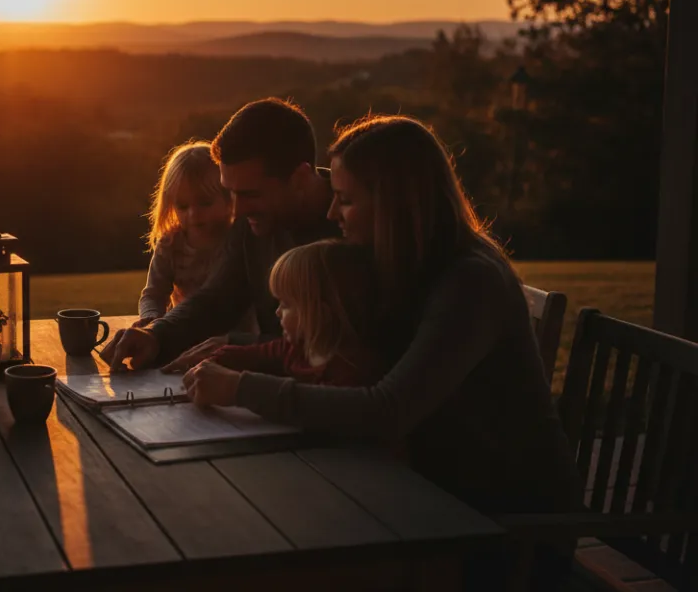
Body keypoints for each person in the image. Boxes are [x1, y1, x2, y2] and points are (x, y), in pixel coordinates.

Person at [183, 114, 582, 590]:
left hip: (501, 524)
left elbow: (387, 408)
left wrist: (243, 388)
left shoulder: (469, 282)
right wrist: (241, 352)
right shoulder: (402, 265)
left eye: (347, 200)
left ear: (396, 203)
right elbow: (336, 353)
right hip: (418, 489)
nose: (332, 214)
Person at [101, 97, 341, 372]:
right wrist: (157, 334)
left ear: (299, 179)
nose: (236, 211)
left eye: (250, 194)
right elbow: (217, 299)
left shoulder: (351, 225)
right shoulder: (250, 223)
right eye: (230, 192)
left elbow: (336, 351)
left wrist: (240, 346)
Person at [185, 239, 384, 405]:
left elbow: (321, 410)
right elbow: (246, 355)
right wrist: (209, 365)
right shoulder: (295, 349)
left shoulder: (349, 368)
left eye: (286, 304)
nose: (277, 312)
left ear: (320, 313)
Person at [132, 141, 234, 328]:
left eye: (205, 203)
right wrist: (151, 319)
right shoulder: (171, 245)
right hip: (183, 331)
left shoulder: (236, 241)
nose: (193, 214)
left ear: (228, 197)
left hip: (229, 335)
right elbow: (153, 294)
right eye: (183, 206)